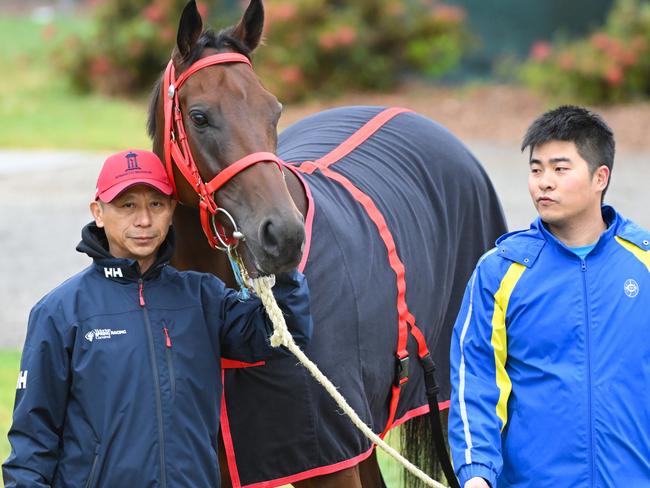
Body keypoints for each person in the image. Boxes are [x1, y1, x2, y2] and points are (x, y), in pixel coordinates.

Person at [2, 149, 312, 487]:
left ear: (171, 212)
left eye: (156, 205)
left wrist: (282, 265)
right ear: (98, 213)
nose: (144, 221)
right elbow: (33, 440)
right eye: (127, 205)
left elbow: (283, 336)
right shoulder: (59, 312)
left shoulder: (203, 297)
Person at [448, 105, 650, 487]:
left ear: (599, 177)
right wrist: (476, 475)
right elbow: (475, 381)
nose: (544, 182)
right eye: (536, 169)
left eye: (560, 169)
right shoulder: (499, 271)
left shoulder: (643, 262)